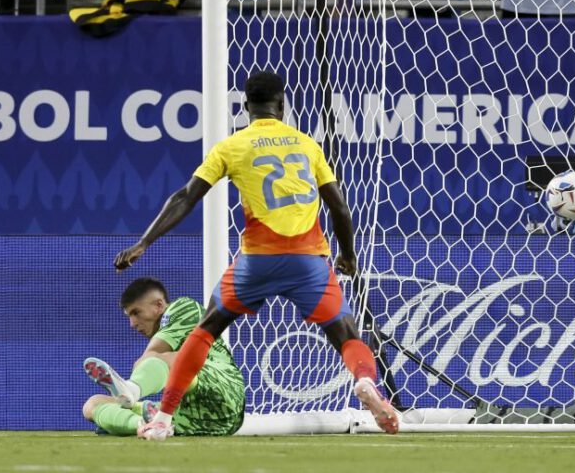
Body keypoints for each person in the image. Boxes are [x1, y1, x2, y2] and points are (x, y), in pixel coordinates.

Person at [114, 71, 398, 440]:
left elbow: (186, 197)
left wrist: (143, 243)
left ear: (246, 106)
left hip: (257, 261)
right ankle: (364, 381)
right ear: (282, 105)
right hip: (308, 261)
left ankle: (163, 418)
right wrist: (348, 256)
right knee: (346, 333)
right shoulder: (307, 145)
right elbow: (339, 207)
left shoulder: (232, 146)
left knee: (205, 330)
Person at [82, 277, 245, 436]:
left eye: (136, 312)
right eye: (129, 316)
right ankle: (143, 426)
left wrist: (131, 388)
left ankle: (132, 390)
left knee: (169, 359)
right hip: (195, 417)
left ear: (159, 305)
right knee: (92, 404)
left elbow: (148, 359)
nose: (132, 323)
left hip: (225, 392)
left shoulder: (183, 308)